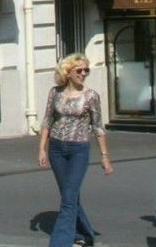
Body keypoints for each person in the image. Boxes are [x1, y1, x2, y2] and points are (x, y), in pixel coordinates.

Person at [38, 51, 113, 247]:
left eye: (86, 70)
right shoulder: (55, 93)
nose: (83, 74)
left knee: (69, 199)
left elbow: (98, 126)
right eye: (79, 70)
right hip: (56, 148)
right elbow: (47, 120)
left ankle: (60, 242)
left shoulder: (91, 96)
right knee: (68, 195)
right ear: (68, 72)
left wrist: (105, 156)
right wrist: (42, 149)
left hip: (79, 149)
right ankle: (85, 234)